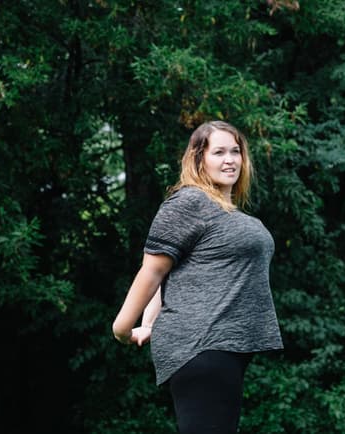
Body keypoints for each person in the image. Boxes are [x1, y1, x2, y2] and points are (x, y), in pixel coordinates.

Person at [112, 120, 283, 434]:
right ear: (198, 159)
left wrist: (151, 322)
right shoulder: (189, 202)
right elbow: (153, 270)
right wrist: (123, 328)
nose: (229, 159)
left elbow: (175, 273)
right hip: (201, 345)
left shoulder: (227, 213)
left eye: (236, 151)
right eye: (218, 152)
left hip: (223, 348)